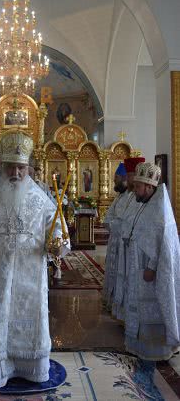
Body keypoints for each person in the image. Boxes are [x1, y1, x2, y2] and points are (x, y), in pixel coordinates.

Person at [0, 132, 70, 389]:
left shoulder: (39, 196)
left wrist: (57, 243)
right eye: (11, 167)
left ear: (28, 167)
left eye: (21, 167)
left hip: (32, 271)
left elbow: (57, 224)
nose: (16, 173)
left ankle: (33, 369)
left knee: (32, 313)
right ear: (1, 166)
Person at [123, 162, 180, 376]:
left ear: (149, 187)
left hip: (150, 272)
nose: (135, 189)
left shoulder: (159, 211)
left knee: (152, 309)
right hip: (138, 267)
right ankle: (140, 346)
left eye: (138, 186)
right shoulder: (144, 204)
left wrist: (152, 267)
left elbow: (161, 245)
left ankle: (157, 349)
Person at [112, 156, 145, 321]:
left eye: (130, 175)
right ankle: (124, 314)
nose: (131, 179)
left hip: (134, 247)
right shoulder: (131, 195)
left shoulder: (139, 197)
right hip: (124, 244)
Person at [102, 162, 128, 309]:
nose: (114, 181)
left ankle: (118, 303)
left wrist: (112, 224)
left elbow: (122, 220)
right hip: (114, 239)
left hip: (122, 241)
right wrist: (111, 223)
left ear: (124, 178)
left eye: (116, 178)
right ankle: (112, 300)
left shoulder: (130, 197)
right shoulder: (120, 196)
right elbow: (109, 217)